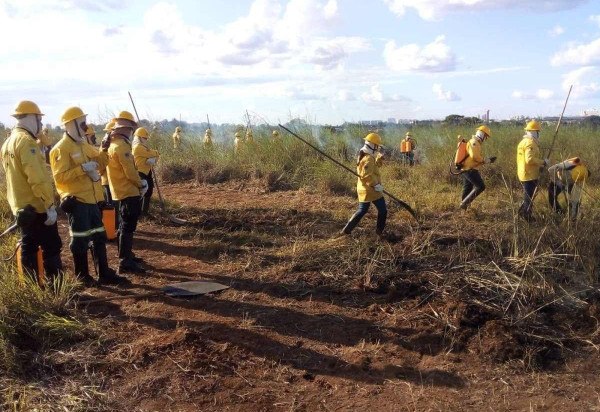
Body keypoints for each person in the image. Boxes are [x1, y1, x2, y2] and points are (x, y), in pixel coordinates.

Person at [50, 107, 126, 286]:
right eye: (82, 123)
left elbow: (101, 164)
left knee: (99, 236)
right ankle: (82, 276)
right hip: (78, 202)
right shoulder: (60, 149)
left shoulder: (84, 144)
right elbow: (59, 177)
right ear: (71, 124)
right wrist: (81, 169)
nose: (85, 126)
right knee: (80, 240)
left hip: (93, 200)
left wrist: (104, 149)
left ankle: (104, 273)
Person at [1, 100, 63, 284]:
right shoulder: (27, 142)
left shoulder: (8, 142)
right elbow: (38, 178)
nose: (41, 124)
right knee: (51, 246)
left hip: (21, 208)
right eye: (39, 119)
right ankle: (56, 288)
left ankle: (33, 289)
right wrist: (49, 205)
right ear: (31, 118)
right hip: (37, 207)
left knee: (29, 246)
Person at [104, 111, 148, 274]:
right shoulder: (121, 147)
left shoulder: (113, 145)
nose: (131, 132)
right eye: (130, 129)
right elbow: (130, 171)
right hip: (128, 190)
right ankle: (125, 261)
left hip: (121, 190)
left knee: (124, 225)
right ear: (125, 129)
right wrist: (140, 183)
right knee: (128, 226)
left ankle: (127, 255)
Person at [341, 132, 387, 236]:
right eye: (377, 146)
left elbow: (372, 168)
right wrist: (376, 185)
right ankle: (379, 233)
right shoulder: (369, 158)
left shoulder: (364, 155)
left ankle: (346, 230)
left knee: (362, 210)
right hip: (371, 189)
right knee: (383, 210)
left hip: (363, 189)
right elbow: (367, 175)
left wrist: (379, 159)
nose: (378, 148)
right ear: (373, 145)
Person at [517, 120, 548, 221]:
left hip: (525, 173)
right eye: (538, 132)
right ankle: (526, 217)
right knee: (529, 197)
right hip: (528, 175)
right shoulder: (530, 143)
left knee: (529, 195)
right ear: (535, 132)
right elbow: (529, 159)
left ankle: (522, 213)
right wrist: (543, 162)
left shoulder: (524, 142)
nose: (539, 134)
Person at [459, 125, 496, 210]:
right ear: (482, 134)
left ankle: (464, 209)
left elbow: (475, 158)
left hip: (467, 168)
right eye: (486, 136)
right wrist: (485, 160)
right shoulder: (474, 142)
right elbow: (474, 156)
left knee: (468, 188)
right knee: (480, 186)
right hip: (470, 169)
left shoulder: (475, 142)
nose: (486, 138)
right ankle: (464, 204)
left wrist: (487, 160)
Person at [132, 127, 159, 217]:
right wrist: (154, 154)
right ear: (139, 137)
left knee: (149, 192)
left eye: (146, 138)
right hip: (140, 172)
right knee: (141, 193)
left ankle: (144, 212)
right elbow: (153, 153)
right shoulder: (137, 148)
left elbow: (152, 154)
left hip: (147, 171)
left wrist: (153, 158)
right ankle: (138, 213)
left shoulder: (143, 147)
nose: (146, 139)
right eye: (144, 138)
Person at [100, 119, 115, 204]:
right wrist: (101, 173)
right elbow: (101, 163)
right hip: (108, 179)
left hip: (112, 179)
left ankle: (115, 217)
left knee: (113, 203)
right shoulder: (105, 145)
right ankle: (110, 218)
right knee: (111, 204)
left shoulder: (111, 144)